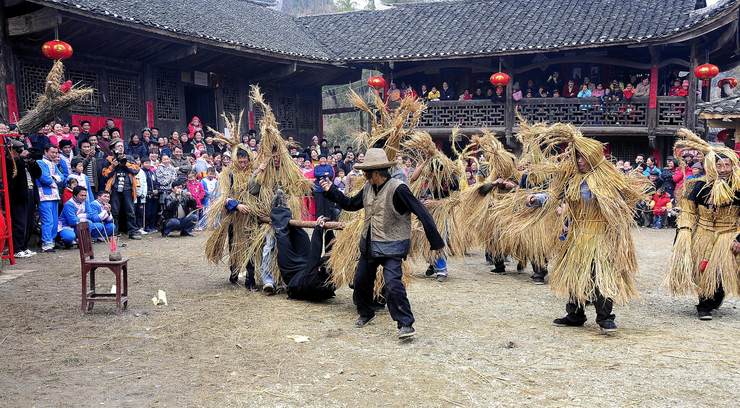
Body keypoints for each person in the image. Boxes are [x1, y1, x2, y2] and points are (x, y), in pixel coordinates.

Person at [526, 126, 643, 333]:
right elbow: (556, 196)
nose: (579, 161)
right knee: (575, 273)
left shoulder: (609, 178)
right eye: (577, 157)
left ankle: (605, 318)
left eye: (582, 157)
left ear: (593, 157)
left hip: (600, 235)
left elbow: (627, 198)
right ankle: (575, 314)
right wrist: (538, 198)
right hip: (577, 234)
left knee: (600, 275)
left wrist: (616, 215)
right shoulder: (571, 178)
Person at [320, 148, 445, 339]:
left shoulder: (398, 189)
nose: (364, 176)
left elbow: (421, 212)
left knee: (393, 283)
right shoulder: (369, 188)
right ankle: (366, 313)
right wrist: (331, 191)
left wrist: (435, 241)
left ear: (376, 172)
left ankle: (405, 324)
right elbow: (351, 204)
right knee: (361, 281)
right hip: (369, 245)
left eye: (366, 173)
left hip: (392, 246)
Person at [668, 130, 739, 320]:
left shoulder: (738, 188)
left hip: (728, 233)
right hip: (704, 232)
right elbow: (688, 212)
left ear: (733, 166)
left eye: (727, 165)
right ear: (712, 166)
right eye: (719, 165)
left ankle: (714, 299)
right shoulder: (697, 187)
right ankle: (704, 305)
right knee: (703, 269)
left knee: (720, 272)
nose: (723, 169)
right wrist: (684, 232)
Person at [6, 138, 41, 258]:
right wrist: (22, 159)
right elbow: (14, 173)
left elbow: (38, 174)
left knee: (29, 222)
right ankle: (17, 248)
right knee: (19, 222)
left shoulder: (24, 161)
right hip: (18, 195)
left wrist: (32, 162)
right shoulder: (10, 161)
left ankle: (24, 246)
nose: (23, 152)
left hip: (30, 193)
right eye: (20, 150)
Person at [101, 140, 142, 240]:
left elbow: (136, 169)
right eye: (118, 146)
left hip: (128, 188)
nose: (120, 148)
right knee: (114, 211)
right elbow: (105, 174)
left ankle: (133, 231)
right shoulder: (109, 159)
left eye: (122, 146)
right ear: (113, 148)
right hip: (114, 188)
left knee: (130, 211)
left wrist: (125, 163)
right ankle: (114, 232)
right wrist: (113, 166)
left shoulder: (129, 158)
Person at [36, 145, 62, 252]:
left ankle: (52, 241)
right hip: (44, 195)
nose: (55, 155)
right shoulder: (40, 162)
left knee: (55, 221)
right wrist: (55, 179)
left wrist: (54, 179)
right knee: (48, 220)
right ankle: (46, 243)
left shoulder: (53, 164)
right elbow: (45, 178)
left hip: (54, 195)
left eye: (56, 153)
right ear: (45, 151)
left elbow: (63, 177)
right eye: (52, 152)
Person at [313, 155, 335, 220]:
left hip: (327, 188)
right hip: (318, 189)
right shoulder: (316, 167)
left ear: (326, 160)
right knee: (319, 205)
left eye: (324, 158)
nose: (323, 160)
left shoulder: (329, 166)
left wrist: (322, 174)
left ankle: (327, 219)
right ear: (319, 160)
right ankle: (319, 219)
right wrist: (325, 174)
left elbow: (330, 174)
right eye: (321, 159)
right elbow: (316, 174)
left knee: (327, 205)